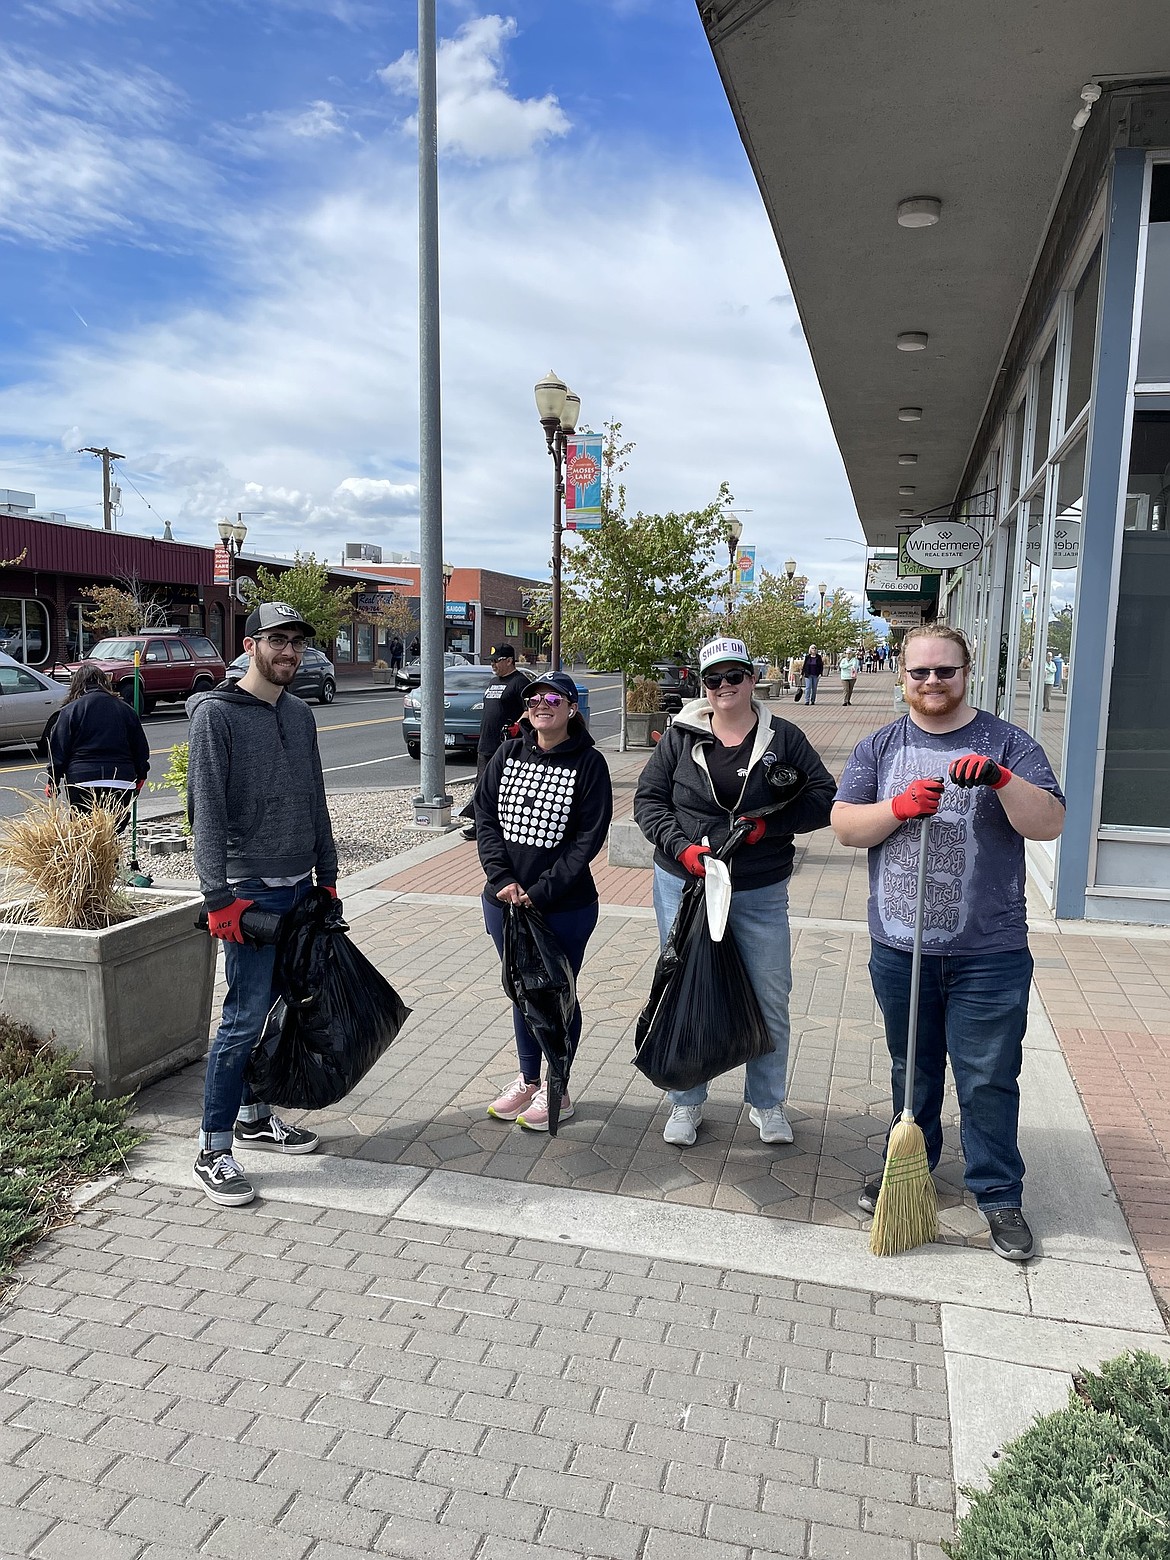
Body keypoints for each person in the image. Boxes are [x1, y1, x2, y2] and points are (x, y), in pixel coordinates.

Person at [831, 624, 1065, 1260]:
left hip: (988, 952)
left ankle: (999, 1195)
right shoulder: (881, 746)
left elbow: (1049, 823)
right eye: (919, 672)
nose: (932, 682)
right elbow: (846, 826)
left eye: (945, 671)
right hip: (900, 947)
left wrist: (999, 780)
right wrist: (899, 809)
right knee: (913, 1067)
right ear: (901, 675)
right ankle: (913, 1168)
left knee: (988, 1075)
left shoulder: (1008, 742)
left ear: (967, 674)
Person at [634, 636, 836, 1147]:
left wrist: (769, 825)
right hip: (684, 885)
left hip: (759, 889)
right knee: (687, 986)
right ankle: (685, 1100)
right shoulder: (680, 736)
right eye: (713, 678)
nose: (724, 686)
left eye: (734, 676)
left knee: (770, 994)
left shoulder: (783, 736)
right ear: (703, 685)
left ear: (752, 677)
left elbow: (825, 797)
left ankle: (767, 1103)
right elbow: (648, 800)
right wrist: (681, 848)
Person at [186, 601, 340, 1207]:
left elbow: (314, 795)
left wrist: (326, 877)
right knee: (243, 1018)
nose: (289, 653)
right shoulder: (214, 718)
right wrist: (217, 898)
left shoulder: (300, 714)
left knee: (278, 1011)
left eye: (297, 643)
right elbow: (206, 809)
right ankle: (213, 1147)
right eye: (277, 641)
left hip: (299, 886)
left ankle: (253, 1116)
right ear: (251, 645)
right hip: (247, 893)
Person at [476, 670, 613, 1131]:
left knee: (557, 995)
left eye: (554, 697)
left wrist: (540, 891)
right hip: (505, 903)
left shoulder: (590, 765)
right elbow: (486, 819)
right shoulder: (507, 752)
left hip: (564, 906)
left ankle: (560, 1085)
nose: (542, 704)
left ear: (572, 708)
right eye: (535, 697)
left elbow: (586, 841)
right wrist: (502, 879)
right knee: (521, 989)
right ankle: (528, 1078)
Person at [48, 663, 150, 830]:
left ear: (76, 684)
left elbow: (59, 747)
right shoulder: (126, 710)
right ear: (105, 682)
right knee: (114, 829)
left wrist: (53, 780)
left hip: (82, 779)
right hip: (121, 779)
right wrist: (141, 774)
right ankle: (111, 856)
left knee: (85, 831)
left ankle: (93, 856)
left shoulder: (70, 711)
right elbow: (139, 746)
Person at [461, 645, 531, 843]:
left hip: (506, 746)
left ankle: (507, 825)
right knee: (482, 785)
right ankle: (479, 825)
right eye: (491, 661)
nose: (492, 664)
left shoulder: (520, 683)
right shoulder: (493, 682)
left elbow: (529, 709)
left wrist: (518, 725)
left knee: (504, 787)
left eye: (496, 660)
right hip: (486, 743)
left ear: (509, 660)